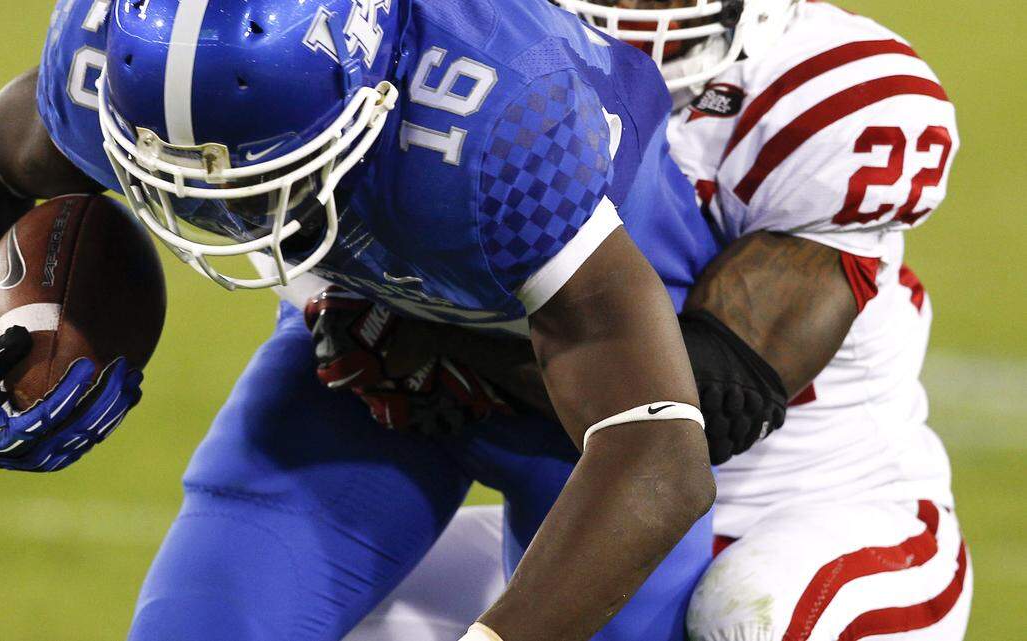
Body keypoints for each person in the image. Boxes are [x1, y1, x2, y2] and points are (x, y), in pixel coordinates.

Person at [0, 1, 730, 640]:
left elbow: (659, 453)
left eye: (267, 174)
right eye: (180, 173)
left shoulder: (499, 119)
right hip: (366, 349)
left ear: (365, 95)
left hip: (590, 395)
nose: (219, 203)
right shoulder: (107, 57)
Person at [324, 1, 972, 640]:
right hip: (606, 509)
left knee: (752, 616)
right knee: (337, 613)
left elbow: (713, 396)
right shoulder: (480, 53)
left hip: (823, 511)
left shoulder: (833, 83)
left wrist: (436, 344)